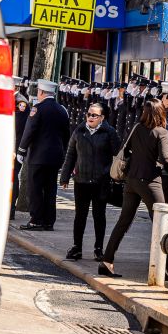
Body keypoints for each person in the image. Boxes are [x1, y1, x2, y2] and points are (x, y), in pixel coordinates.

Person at [98, 99, 168, 277]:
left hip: (131, 180)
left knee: (123, 222)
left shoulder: (137, 128)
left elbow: (127, 151)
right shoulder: (162, 132)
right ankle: (163, 267)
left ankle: (107, 260)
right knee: (161, 222)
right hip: (150, 181)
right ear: (160, 113)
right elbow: (165, 158)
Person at [59, 103, 121, 262]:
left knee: (99, 215)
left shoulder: (109, 132)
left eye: (94, 115)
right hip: (82, 180)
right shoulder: (79, 131)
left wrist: (113, 175)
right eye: (88, 114)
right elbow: (71, 155)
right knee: (80, 215)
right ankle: (76, 247)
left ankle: (98, 248)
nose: (90, 117)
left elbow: (118, 154)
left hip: (101, 181)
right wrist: (65, 176)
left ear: (102, 118)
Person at [17, 79, 70, 231]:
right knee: (50, 189)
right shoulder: (62, 110)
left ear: (41, 92)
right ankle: (48, 221)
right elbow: (66, 134)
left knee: (35, 189)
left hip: (38, 156)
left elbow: (30, 131)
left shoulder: (37, 109)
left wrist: (21, 150)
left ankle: (36, 220)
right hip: (55, 157)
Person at [11, 89, 31, 220]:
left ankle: (10, 209)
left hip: (14, 149)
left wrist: (15, 149)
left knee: (12, 178)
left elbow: (18, 129)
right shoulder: (14, 100)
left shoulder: (20, 102)